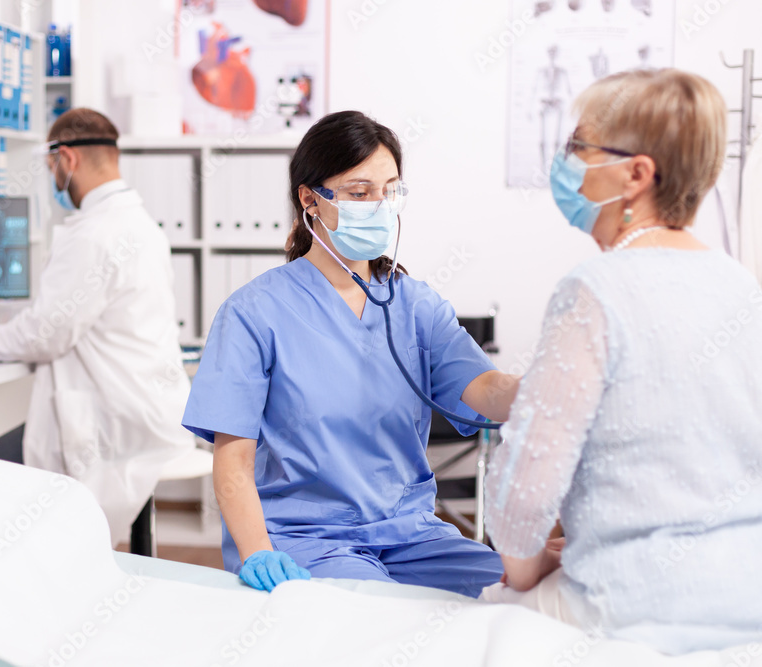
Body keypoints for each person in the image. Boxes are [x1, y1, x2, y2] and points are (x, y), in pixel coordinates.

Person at [480, 69, 762, 654]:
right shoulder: (741, 286)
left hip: (641, 603)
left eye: (579, 146)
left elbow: (524, 494)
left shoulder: (593, 291)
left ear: (636, 174)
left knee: (485, 615)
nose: (565, 161)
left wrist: (524, 579)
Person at [182, 111, 519, 595]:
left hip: (411, 535)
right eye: (360, 193)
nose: (379, 206)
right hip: (305, 538)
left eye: (389, 191)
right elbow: (233, 460)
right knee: (379, 616)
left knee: (511, 594)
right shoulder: (253, 312)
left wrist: (544, 391)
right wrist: (257, 550)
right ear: (310, 199)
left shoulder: (416, 304)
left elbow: (486, 388)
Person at [0, 108, 194, 544]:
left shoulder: (94, 233)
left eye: (51, 168)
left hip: (111, 423)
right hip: (145, 408)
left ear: (67, 158)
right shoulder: (138, 224)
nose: (53, 180)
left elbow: (44, 337)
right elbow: (68, 322)